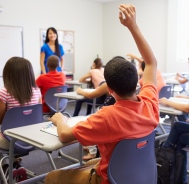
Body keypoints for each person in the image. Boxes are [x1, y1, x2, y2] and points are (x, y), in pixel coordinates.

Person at [45, 4, 159, 184]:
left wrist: (59, 119)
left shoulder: (107, 116)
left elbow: (65, 135)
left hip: (107, 180)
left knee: (51, 177)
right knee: (93, 162)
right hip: (140, 175)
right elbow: (151, 62)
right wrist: (132, 25)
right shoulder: (150, 103)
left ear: (110, 89)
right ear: (138, 82)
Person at [0, 57, 41, 174]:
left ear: (8, 74)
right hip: (32, 139)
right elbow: (38, 114)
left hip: (10, 141)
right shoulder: (36, 91)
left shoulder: (4, 92)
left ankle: (5, 167)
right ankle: (16, 163)